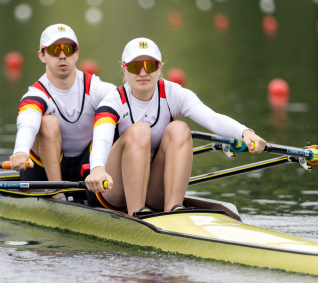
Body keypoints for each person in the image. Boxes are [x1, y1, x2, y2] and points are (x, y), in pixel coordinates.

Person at [85, 38, 266, 216]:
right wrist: (97, 168)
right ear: (124, 69)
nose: (142, 73)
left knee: (180, 129)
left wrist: (245, 132)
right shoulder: (113, 101)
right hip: (112, 189)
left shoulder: (174, 94)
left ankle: (173, 210)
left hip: (153, 190)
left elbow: (212, 118)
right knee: (140, 131)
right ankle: (136, 213)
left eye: (150, 66)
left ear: (160, 68)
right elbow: (102, 137)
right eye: (134, 66)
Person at [10, 24, 116, 186]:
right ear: (42, 55)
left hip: (87, 166)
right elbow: (27, 123)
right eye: (54, 50)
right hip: (42, 172)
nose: (62, 56)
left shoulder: (95, 87)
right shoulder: (37, 94)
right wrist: (21, 150)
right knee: (48, 122)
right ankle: (57, 193)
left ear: (76, 53)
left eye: (68, 49)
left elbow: (127, 102)